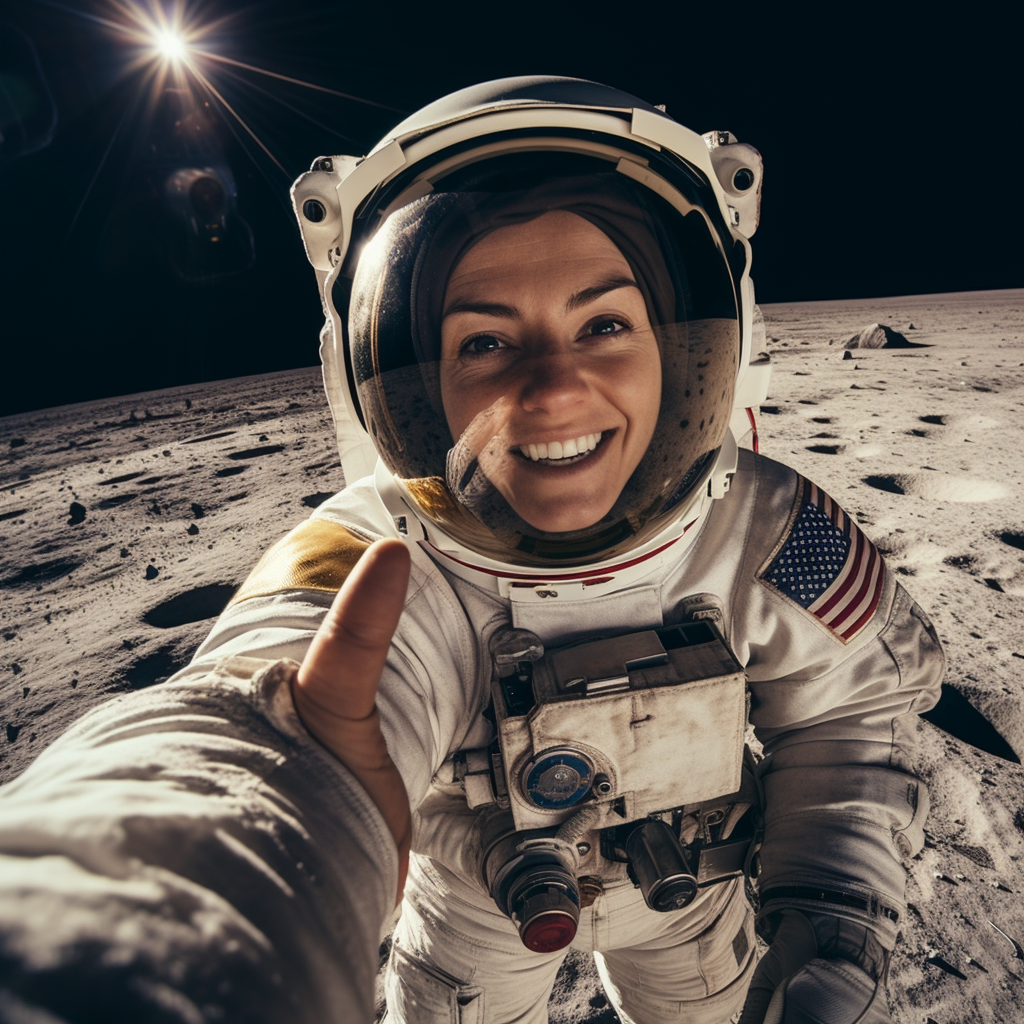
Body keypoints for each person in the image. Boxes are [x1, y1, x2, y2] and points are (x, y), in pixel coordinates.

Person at [0, 77, 944, 1024]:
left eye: (607, 324)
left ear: (688, 350)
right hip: (478, 919)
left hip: (693, 905)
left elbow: (855, 708)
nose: (552, 388)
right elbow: (243, 737)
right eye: (485, 343)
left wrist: (829, 909)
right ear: (410, 388)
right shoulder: (376, 560)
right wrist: (151, 923)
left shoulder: (765, 527)